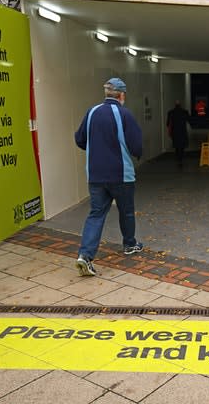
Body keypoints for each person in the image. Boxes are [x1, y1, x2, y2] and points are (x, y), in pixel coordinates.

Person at [74, 77, 143, 276]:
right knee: (126, 211)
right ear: (122, 95)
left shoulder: (92, 112)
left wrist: (97, 151)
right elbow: (136, 144)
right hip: (121, 175)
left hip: (95, 175)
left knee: (96, 214)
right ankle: (129, 244)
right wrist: (137, 153)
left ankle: (84, 256)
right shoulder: (124, 114)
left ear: (106, 94)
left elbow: (79, 139)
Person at [166, 100, 190, 167]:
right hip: (182, 132)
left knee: (176, 145)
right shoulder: (185, 112)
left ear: (175, 105)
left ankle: (178, 158)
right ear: (180, 105)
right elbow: (189, 120)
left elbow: (167, 123)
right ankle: (181, 158)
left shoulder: (170, 112)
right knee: (182, 146)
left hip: (175, 132)